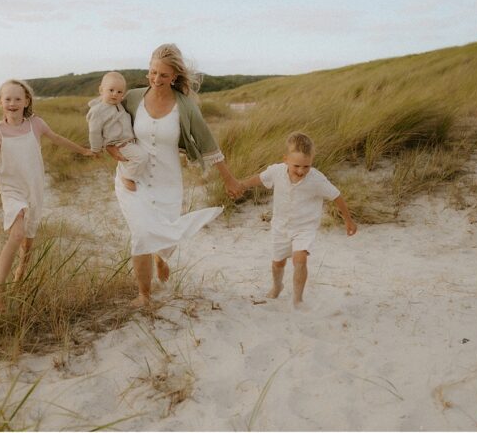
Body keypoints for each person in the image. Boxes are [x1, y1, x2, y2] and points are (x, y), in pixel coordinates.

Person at [107, 44, 243, 308]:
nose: (156, 79)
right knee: (142, 233)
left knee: (164, 231)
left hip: (167, 182)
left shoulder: (185, 106)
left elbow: (207, 142)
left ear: (175, 77)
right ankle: (144, 295)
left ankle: (160, 257)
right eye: (152, 72)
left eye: (163, 75)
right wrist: (111, 150)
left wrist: (229, 179)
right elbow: (107, 121)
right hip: (132, 179)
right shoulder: (132, 98)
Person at [0, 79, 94, 311]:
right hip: (11, 190)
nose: (12, 103)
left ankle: (21, 270)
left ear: (26, 101)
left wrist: (83, 151)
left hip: (34, 188)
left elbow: (57, 138)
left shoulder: (35, 124)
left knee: (28, 241)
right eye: (7, 99)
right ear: (0, 102)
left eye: (17, 99)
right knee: (17, 234)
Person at [239, 132, 357, 306]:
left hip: (304, 228)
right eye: (296, 166)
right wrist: (241, 185)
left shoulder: (316, 179)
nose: (301, 171)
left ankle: (297, 299)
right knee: (278, 263)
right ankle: (277, 287)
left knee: (300, 259)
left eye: (306, 166)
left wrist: (348, 220)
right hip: (280, 226)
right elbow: (259, 179)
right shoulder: (276, 171)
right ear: (286, 159)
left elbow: (336, 196)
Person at [87, 71, 148, 191]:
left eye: (119, 92)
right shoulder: (97, 111)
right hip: (118, 144)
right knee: (141, 157)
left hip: (128, 141)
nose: (115, 94)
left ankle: (132, 175)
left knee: (139, 157)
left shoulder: (118, 104)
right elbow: (94, 131)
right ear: (101, 90)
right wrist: (96, 149)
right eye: (111, 90)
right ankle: (128, 177)